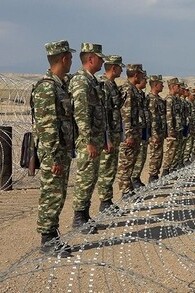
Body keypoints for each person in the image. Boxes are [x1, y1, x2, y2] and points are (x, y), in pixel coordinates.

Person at [32, 40, 75, 256]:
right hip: (54, 154)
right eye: (70, 57)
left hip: (61, 152)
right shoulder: (47, 88)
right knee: (51, 194)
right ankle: (47, 239)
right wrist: (54, 157)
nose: (71, 61)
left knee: (58, 194)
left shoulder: (59, 86)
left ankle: (52, 234)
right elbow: (48, 127)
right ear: (63, 58)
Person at [69, 42, 108, 234]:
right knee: (85, 177)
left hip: (96, 139)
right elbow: (81, 113)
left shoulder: (92, 81)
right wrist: (88, 141)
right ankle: (78, 217)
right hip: (88, 141)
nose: (102, 62)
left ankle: (84, 215)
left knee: (91, 177)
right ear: (91, 59)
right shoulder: (81, 81)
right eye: (100, 58)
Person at [97, 55, 125, 214]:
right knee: (106, 168)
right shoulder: (104, 86)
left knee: (111, 168)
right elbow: (104, 114)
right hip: (108, 136)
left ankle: (107, 200)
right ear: (113, 68)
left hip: (114, 134)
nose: (121, 70)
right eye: (120, 67)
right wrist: (106, 138)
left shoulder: (112, 85)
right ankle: (104, 202)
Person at [117, 64, 146, 198]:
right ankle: (125, 191)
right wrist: (128, 134)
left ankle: (128, 187)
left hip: (135, 132)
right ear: (136, 75)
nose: (142, 77)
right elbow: (126, 114)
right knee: (126, 163)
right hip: (130, 134)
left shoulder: (133, 90)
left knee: (131, 161)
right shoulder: (128, 90)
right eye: (141, 74)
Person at [131, 70, 150, 188]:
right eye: (144, 79)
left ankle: (135, 179)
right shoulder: (129, 91)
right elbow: (127, 115)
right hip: (133, 132)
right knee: (131, 160)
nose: (146, 81)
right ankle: (129, 184)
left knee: (141, 156)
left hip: (142, 130)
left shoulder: (140, 94)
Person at [161, 77, 182, 176]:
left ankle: (171, 169)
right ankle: (165, 171)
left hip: (176, 129)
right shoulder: (169, 99)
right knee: (170, 151)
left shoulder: (175, 99)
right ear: (173, 87)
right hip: (172, 131)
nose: (179, 87)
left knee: (175, 151)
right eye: (178, 86)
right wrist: (170, 131)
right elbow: (168, 116)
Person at [147, 75, 166, 183]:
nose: (163, 85)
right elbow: (152, 118)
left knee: (159, 154)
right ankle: (152, 176)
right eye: (161, 84)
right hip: (155, 133)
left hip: (160, 132)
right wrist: (153, 134)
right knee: (154, 155)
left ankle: (155, 175)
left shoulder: (159, 99)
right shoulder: (151, 99)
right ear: (155, 85)